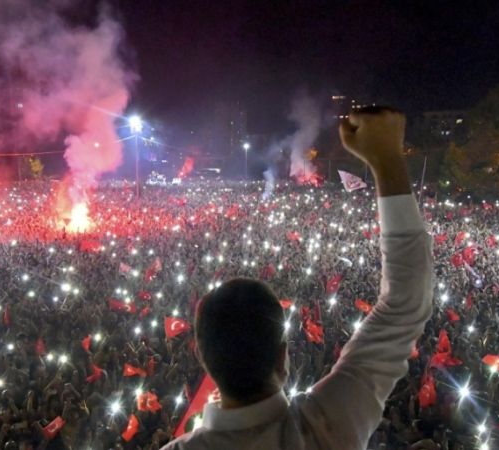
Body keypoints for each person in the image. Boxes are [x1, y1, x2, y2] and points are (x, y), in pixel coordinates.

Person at [164, 106, 435, 449]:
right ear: (283, 355)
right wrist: (387, 160)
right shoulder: (329, 425)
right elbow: (405, 303)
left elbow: (404, 305)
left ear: (201, 356)